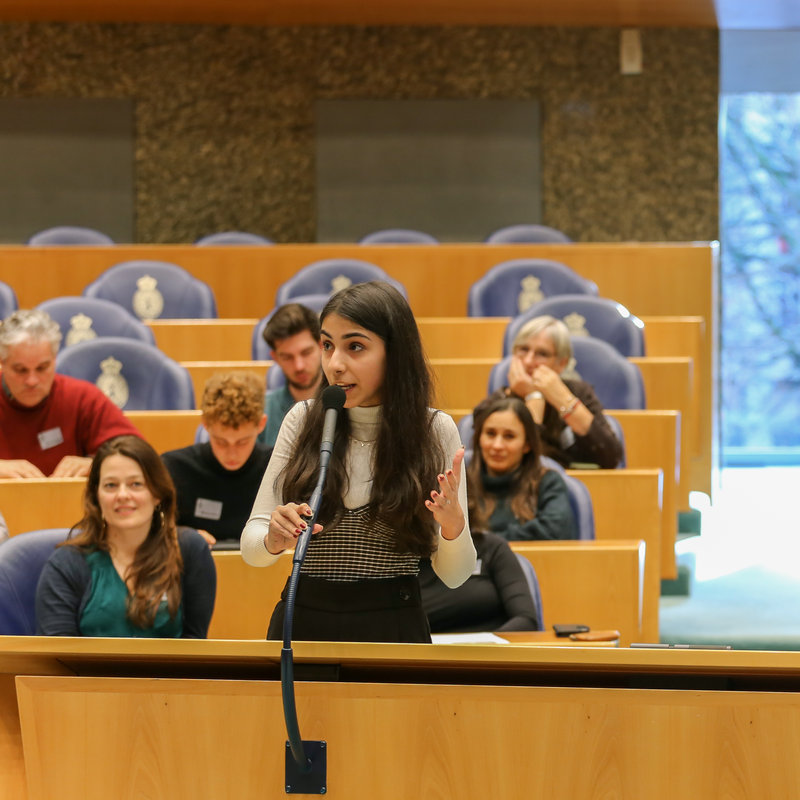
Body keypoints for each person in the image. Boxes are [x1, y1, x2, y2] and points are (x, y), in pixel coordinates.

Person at [241, 281, 476, 644]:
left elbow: (456, 576)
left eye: (355, 347)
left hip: (395, 625)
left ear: (395, 353)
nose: (335, 364)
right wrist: (273, 538)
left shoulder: (434, 429)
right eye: (328, 345)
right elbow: (251, 549)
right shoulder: (303, 419)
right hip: (303, 622)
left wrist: (452, 527)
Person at [35, 435, 216, 638]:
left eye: (136, 484)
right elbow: (58, 659)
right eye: (111, 485)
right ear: (96, 496)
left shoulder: (190, 550)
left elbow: (195, 648)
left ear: (157, 493)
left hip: (171, 671)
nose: (122, 495)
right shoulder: (66, 564)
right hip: (88, 671)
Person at [0, 309, 142, 479]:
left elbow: (140, 455)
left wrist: (98, 464)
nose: (32, 380)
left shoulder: (81, 397)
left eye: (42, 368)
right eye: (20, 370)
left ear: (54, 361)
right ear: (2, 364)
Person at [494, 315, 622, 469]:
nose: (528, 361)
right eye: (523, 350)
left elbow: (611, 457)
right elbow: (525, 466)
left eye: (541, 354)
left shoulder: (578, 392)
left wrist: (563, 399)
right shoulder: (500, 400)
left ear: (561, 363)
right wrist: (534, 398)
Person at [161, 372, 272, 546]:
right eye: (221, 442)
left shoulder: (279, 467)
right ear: (205, 424)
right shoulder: (173, 468)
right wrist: (181, 536)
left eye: (243, 442)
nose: (232, 454)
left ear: (261, 424)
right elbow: (153, 530)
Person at [468, 394, 576, 541]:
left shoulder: (548, 482)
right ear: (479, 438)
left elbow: (556, 532)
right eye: (490, 434)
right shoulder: (462, 484)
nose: (497, 445)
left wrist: (483, 542)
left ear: (527, 444)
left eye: (509, 436)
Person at [419, 530, 540, 633]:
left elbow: (526, 619)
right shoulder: (404, 561)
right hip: (427, 655)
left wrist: (484, 648)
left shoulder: (491, 547)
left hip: (492, 653)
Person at [257, 303, 323, 448]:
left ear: (321, 346)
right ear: (275, 357)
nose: (299, 366)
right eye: (287, 357)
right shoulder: (261, 411)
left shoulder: (349, 403)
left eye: (306, 353)